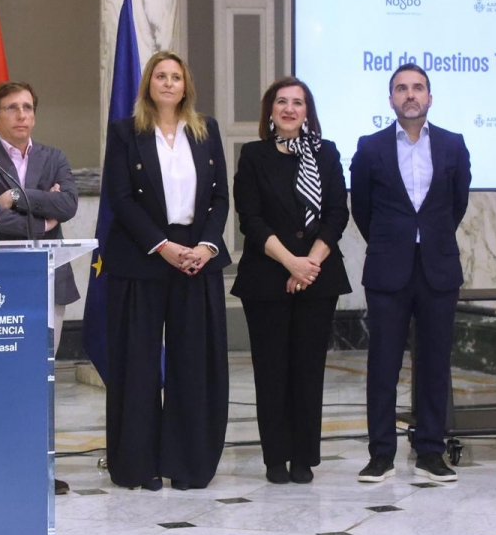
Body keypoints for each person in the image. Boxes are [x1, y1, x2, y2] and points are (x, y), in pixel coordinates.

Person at [101, 50, 231, 491]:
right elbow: (120, 198)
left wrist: (206, 246)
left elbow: (220, 197)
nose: (169, 83)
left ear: (186, 85)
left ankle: (188, 464)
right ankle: (139, 465)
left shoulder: (206, 129)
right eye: (161, 76)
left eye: (176, 76)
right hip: (142, 258)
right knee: (138, 365)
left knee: (193, 363)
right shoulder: (126, 132)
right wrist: (162, 246)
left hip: (197, 258)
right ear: (149, 84)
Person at [351, 63, 471, 484]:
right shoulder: (371, 147)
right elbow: (361, 208)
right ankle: (381, 453)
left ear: (430, 97)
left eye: (418, 88)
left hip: (438, 267)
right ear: (391, 100)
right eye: (401, 88)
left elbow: (457, 204)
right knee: (383, 363)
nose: (410, 95)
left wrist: (430, 238)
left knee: (435, 363)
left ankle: (431, 451)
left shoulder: (453, 145)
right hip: (388, 269)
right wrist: (393, 241)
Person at [0, 81, 79, 495]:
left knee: (39, 378)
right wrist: (42, 213)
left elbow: (68, 205)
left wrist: (13, 197)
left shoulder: (54, 157)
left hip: (49, 279)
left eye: (28, 107)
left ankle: (37, 467)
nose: (22, 115)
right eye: (12, 108)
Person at [231, 77, 351, 485]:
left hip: (319, 276)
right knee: (272, 371)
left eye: (298, 103)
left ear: (307, 112)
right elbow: (250, 219)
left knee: (308, 370)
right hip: (267, 277)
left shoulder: (326, 153)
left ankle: (304, 457)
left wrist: (310, 263)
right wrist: (290, 263)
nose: (289, 109)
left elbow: (337, 213)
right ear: (270, 110)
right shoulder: (254, 155)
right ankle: (275, 458)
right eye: (281, 101)